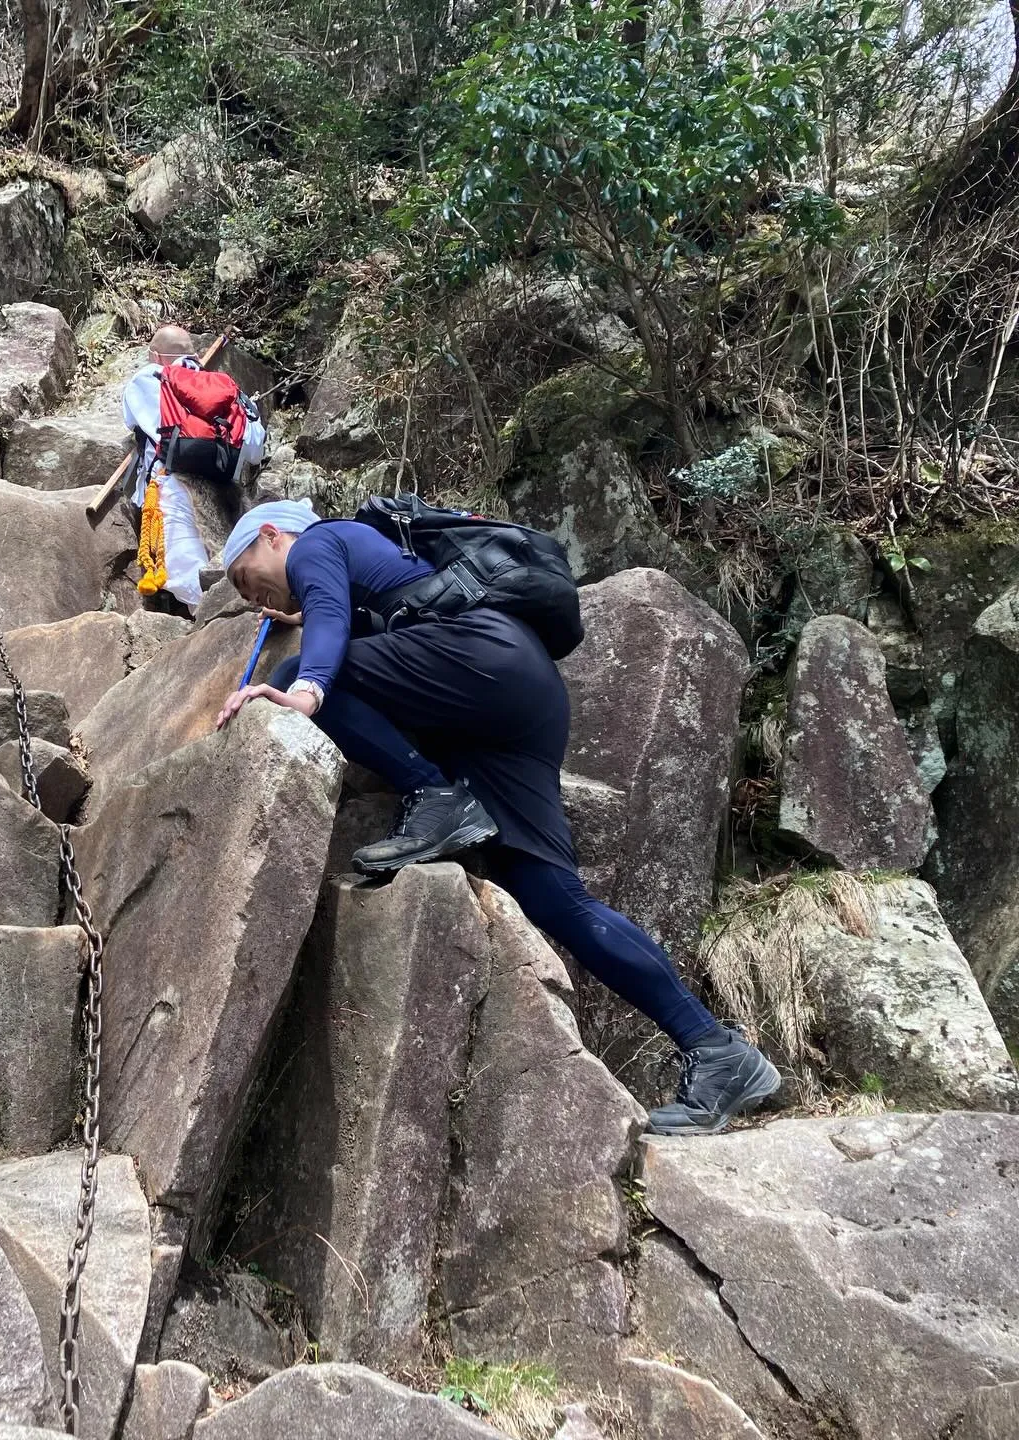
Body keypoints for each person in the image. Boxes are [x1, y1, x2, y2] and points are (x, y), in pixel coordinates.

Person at [214, 500, 781, 1136]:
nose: (246, 593)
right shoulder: (371, 573)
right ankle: (715, 1049)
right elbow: (348, 617)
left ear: (271, 535)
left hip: (479, 656)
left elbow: (327, 624)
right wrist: (323, 621)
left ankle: (433, 796)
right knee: (556, 898)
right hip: (519, 696)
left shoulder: (318, 543)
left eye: (243, 575)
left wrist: (306, 689)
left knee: (299, 672)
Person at [121, 325, 266, 610]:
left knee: (184, 571)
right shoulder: (223, 386)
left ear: (155, 355)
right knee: (222, 561)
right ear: (195, 355)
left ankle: (213, 627)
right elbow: (254, 441)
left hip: (173, 483)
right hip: (225, 486)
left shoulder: (149, 379)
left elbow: (136, 422)